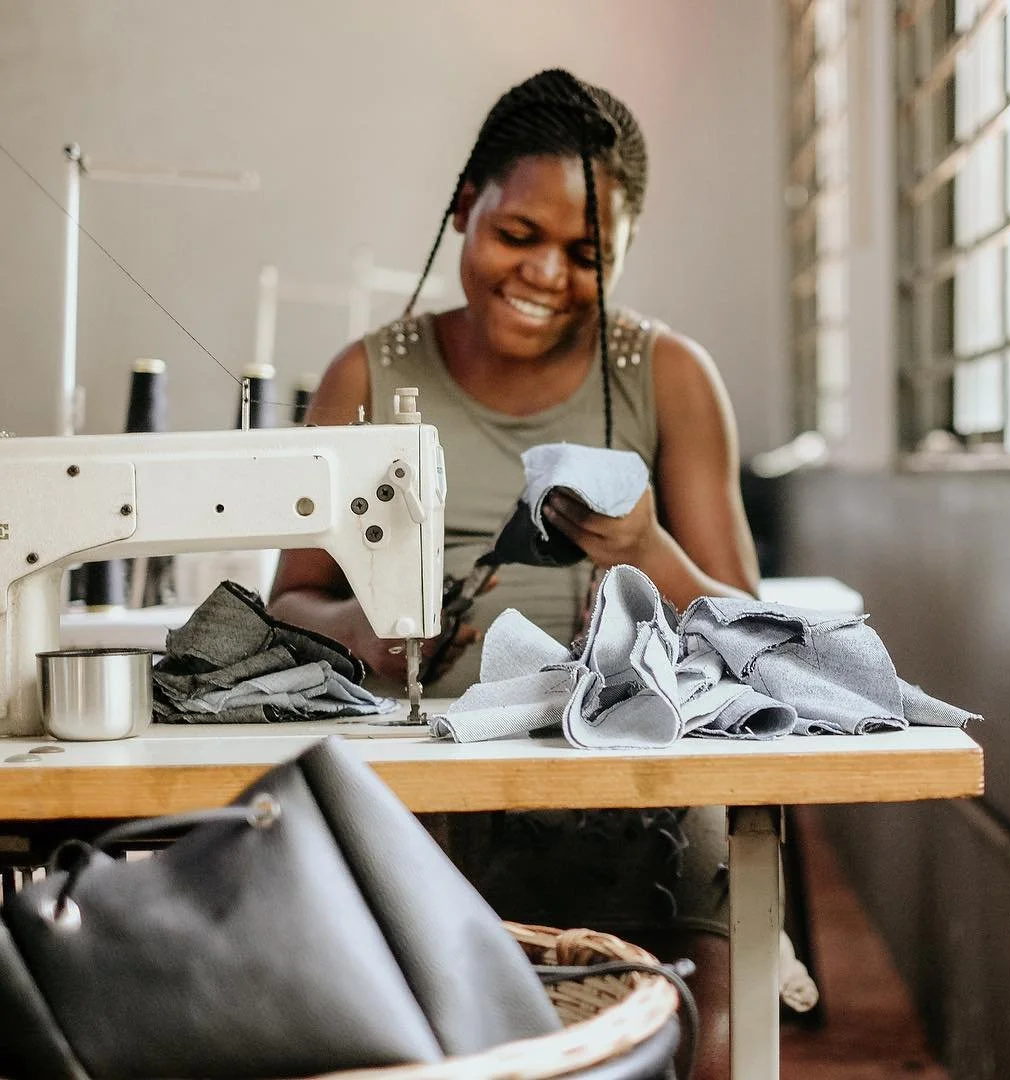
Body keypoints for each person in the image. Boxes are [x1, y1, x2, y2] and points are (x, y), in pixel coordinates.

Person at [269, 68, 760, 1079]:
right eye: (517, 235)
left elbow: (754, 644)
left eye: (587, 255)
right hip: (423, 796)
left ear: (620, 259)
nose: (545, 274)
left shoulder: (668, 376)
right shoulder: (368, 375)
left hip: (645, 790)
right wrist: (362, 636)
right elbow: (289, 607)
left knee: (703, 1055)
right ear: (463, 207)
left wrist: (645, 555)